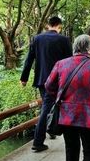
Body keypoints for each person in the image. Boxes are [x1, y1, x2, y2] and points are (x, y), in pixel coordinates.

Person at [20, 15, 72, 152]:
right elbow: (70, 62)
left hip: (42, 80)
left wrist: (24, 78)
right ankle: (37, 142)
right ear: (59, 26)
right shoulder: (64, 40)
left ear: (48, 25)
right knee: (50, 107)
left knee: (47, 106)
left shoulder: (37, 39)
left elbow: (29, 59)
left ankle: (52, 130)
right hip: (60, 80)